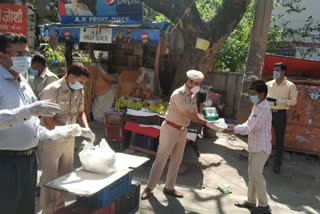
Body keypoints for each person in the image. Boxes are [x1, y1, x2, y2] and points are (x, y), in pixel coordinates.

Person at [0, 33, 91, 214]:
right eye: (19, 54)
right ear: (2, 56)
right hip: (5, 163)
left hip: (28, 161)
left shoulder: (23, 82)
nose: (26, 59)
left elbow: (34, 125)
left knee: (25, 209)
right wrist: (28, 111)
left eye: (27, 53)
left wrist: (63, 131)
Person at [141, 70, 220, 200]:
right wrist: (206, 122)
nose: (198, 86)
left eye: (199, 83)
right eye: (196, 83)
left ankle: (169, 187)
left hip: (182, 130)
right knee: (161, 158)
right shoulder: (178, 94)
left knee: (177, 160)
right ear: (189, 81)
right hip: (170, 129)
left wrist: (210, 122)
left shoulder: (193, 96)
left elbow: (195, 114)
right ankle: (149, 187)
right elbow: (187, 114)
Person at [39, 63, 95, 214]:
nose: (82, 86)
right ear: (71, 77)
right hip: (52, 139)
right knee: (50, 179)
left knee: (65, 175)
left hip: (70, 138)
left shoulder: (79, 90)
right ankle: (48, 210)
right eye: (81, 82)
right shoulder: (51, 91)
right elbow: (48, 122)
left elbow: (80, 113)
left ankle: (59, 208)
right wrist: (73, 129)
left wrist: (86, 129)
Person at [224, 80, 272, 214]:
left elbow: (250, 127)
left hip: (261, 147)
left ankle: (264, 206)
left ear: (262, 94)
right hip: (254, 145)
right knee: (252, 175)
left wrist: (234, 130)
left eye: (254, 94)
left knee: (257, 174)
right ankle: (251, 201)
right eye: (250, 94)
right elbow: (248, 122)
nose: (252, 97)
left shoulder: (264, 108)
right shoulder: (257, 105)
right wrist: (234, 127)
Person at [266, 62, 297, 174]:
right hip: (268, 113)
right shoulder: (268, 84)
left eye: (277, 70)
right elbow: (263, 98)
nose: (274, 72)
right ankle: (264, 160)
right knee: (265, 137)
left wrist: (284, 101)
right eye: (274, 70)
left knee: (279, 139)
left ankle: (277, 163)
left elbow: (294, 101)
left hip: (280, 114)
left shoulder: (290, 85)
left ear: (283, 72)